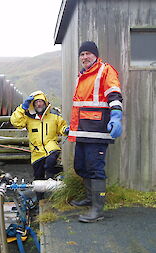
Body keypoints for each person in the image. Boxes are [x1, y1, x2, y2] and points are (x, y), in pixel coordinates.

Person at [68, 41, 123, 223]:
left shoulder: (105, 70)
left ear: (95, 55)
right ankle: (90, 198)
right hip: (82, 131)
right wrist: (73, 127)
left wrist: (116, 116)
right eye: (82, 54)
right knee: (81, 166)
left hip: (97, 131)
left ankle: (97, 210)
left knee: (95, 169)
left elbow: (114, 94)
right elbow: (80, 105)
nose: (84, 57)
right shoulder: (82, 75)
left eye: (87, 54)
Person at [10, 90, 68, 201]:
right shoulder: (28, 119)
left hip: (51, 147)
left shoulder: (53, 117)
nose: (39, 104)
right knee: (38, 178)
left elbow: (62, 127)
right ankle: (40, 200)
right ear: (33, 105)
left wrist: (66, 130)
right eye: (36, 102)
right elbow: (15, 122)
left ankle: (51, 182)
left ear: (45, 103)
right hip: (37, 153)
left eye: (41, 102)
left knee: (50, 161)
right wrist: (23, 107)